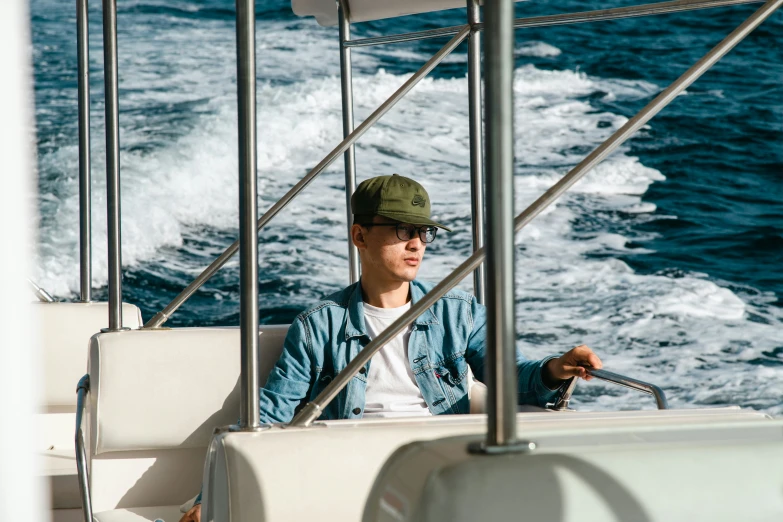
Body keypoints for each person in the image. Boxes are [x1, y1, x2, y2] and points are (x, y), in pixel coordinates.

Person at [179, 173, 602, 522]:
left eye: (423, 232)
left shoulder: (460, 312)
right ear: (359, 236)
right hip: (355, 475)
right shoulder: (318, 326)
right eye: (402, 230)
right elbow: (268, 416)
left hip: (442, 469)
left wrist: (555, 369)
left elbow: (512, 379)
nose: (416, 243)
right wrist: (207, 499)